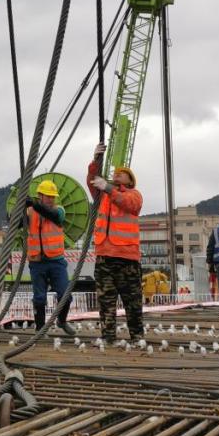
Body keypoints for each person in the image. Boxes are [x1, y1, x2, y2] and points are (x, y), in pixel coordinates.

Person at [87, 144, 144, 344]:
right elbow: (92, 180)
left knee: (133, 301)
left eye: (123, 174)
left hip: (127, 257)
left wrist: (108, 187)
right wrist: (96, 160)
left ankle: (137, 336)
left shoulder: (134, 195)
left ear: (130, 180)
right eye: (116, 173)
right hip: (105, 255)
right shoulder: (103, 194)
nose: (118, 175)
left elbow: (129, 204)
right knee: (106, 301)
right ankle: (108, 336)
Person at [24, 180, 76, 335]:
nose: (51, 199)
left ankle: (62, 321)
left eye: (53, 197)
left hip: (56, 261)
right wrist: (20, 205)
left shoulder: (59, 210)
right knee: (39, 298)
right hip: (37, 261)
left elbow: (52, 215)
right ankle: (40, 328)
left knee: (65, 295)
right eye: (48, 196)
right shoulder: (30, 211)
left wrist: (34, 204)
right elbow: (14, 221)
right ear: (40, 195)